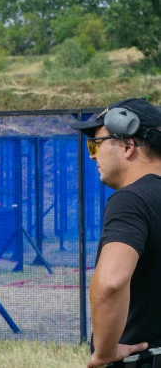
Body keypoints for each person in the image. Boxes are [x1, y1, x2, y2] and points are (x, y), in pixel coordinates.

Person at [70, 98, 161, 368]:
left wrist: (105, 351)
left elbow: (111, 282)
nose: (92, 155)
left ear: (127, 145)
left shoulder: (131, 200)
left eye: (96, 144)